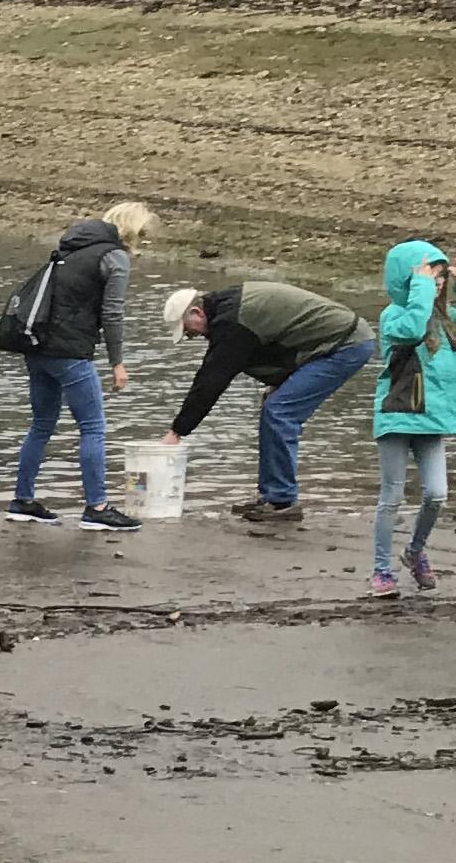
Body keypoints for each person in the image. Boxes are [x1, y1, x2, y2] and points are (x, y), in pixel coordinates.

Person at [160, 277, 373, 522]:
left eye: (188, 330)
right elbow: (279, 335)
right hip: (327, 343)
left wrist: (177, 431)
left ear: (197, 312)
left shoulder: (233, 324)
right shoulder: (228, 306)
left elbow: (211, 381)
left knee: (280, 412)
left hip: (345, 344)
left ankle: (282, 501)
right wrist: (278, 382)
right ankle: (271, 495)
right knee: (274, 409)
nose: (190, 336)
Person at [5, 205, 140, 531]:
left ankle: (22, 501)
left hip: (37, 348)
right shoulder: (114, 257)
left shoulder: (68, 249)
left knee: (41, 424)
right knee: (93, 427)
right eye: (142, 236)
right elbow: (112, 315)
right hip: (71, 353)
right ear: (131, 231)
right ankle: (97, 507)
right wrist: (117, 362)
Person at [369, 239, 454, 598]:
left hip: (431, 419)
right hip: (396, 415)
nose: (434, 282)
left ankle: (415, 551)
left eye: (438, 277)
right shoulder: (394, 316)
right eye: (426, 275)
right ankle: (381, 570)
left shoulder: (447, 320)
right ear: (407, 279)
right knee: (392, 496)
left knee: (436, 494)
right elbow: (413, 329)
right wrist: (420, 284)